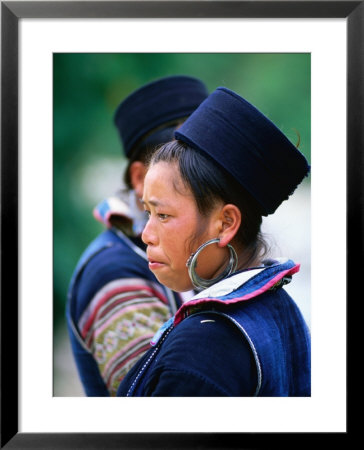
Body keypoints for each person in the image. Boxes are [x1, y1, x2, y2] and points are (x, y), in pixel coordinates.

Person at [116, 86, 311, 397]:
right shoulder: (278, 306)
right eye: (147, 212)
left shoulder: (200, 354)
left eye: (163, 216)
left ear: (226, 224)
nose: (146, 234)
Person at [66, 76, 209, 396]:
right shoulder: (114, 273)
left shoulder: (197, 249)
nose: (210, 180)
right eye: (192, 165)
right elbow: (162, 405)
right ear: (141, 178)